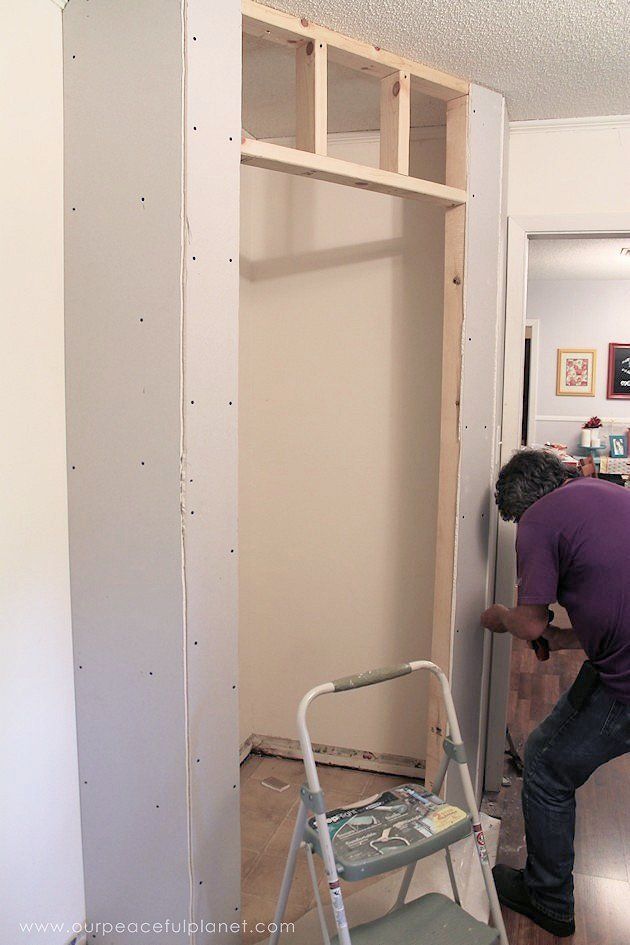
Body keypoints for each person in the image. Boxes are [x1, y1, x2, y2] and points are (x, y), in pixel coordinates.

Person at [481, 448, 630, 938]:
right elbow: (613, 598)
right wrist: (564, 638)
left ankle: (548, 899)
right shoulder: (605, 493)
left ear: (520, 507)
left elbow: (526, 622)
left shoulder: (539, 520)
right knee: (554, 744)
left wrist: (501, 618)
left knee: (545, 764)